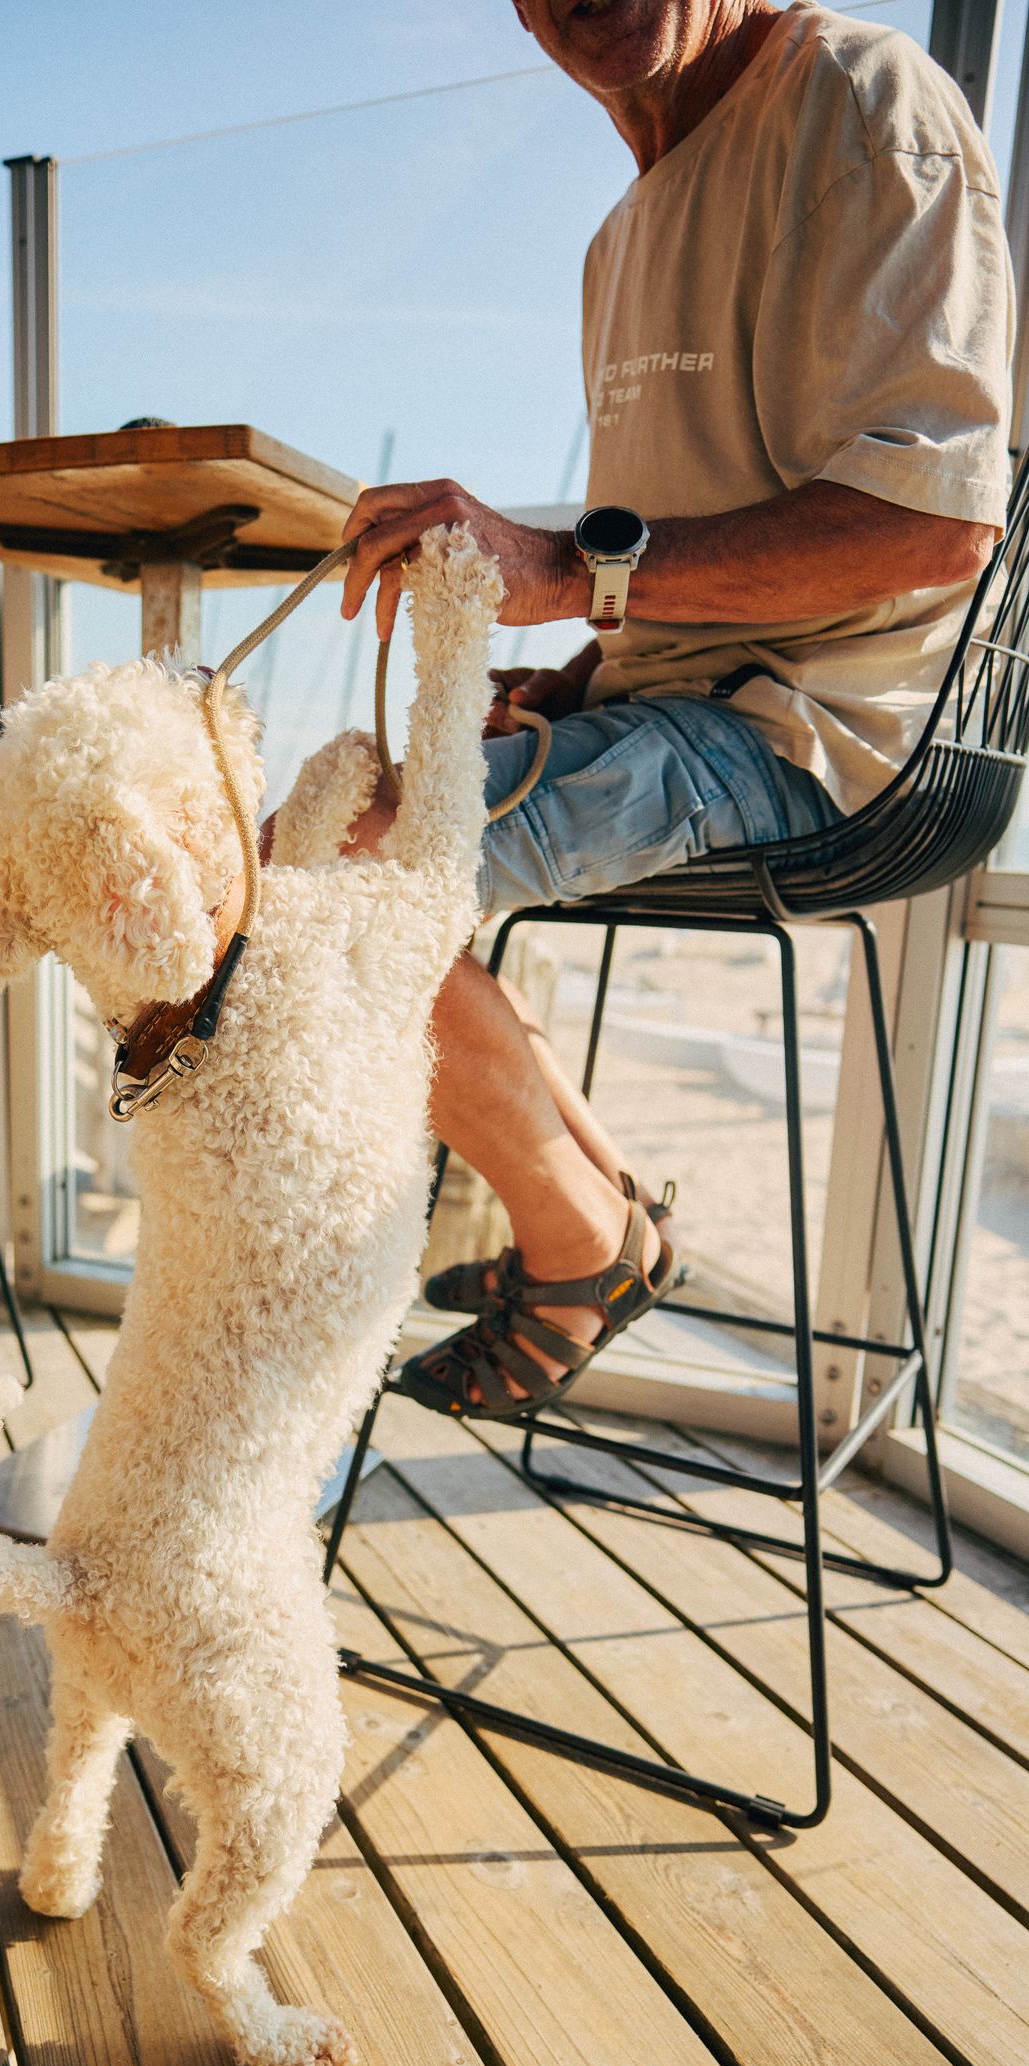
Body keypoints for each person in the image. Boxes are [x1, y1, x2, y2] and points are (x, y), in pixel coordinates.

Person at [318, 0, 1012, 1422]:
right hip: (693, 702)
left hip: (825, 729)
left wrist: (565, 570)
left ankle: (577, 1244)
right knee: (317, 828)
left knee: (346, 885)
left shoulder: (864, 101)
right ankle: (603, 1216)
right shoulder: (618, 240)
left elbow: (937, 529)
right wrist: (575, 674)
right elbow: (668, 576)